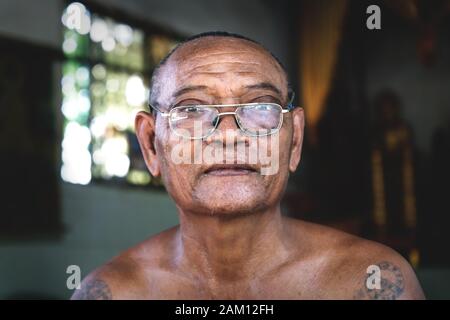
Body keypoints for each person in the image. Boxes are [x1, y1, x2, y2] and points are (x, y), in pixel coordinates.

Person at [72, 31, 424, 300]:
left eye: (260, 107)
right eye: (192, 110)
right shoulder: (112, 292)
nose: (228, 135)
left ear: (295, 140)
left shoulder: (370, 282)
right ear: (150, 144)